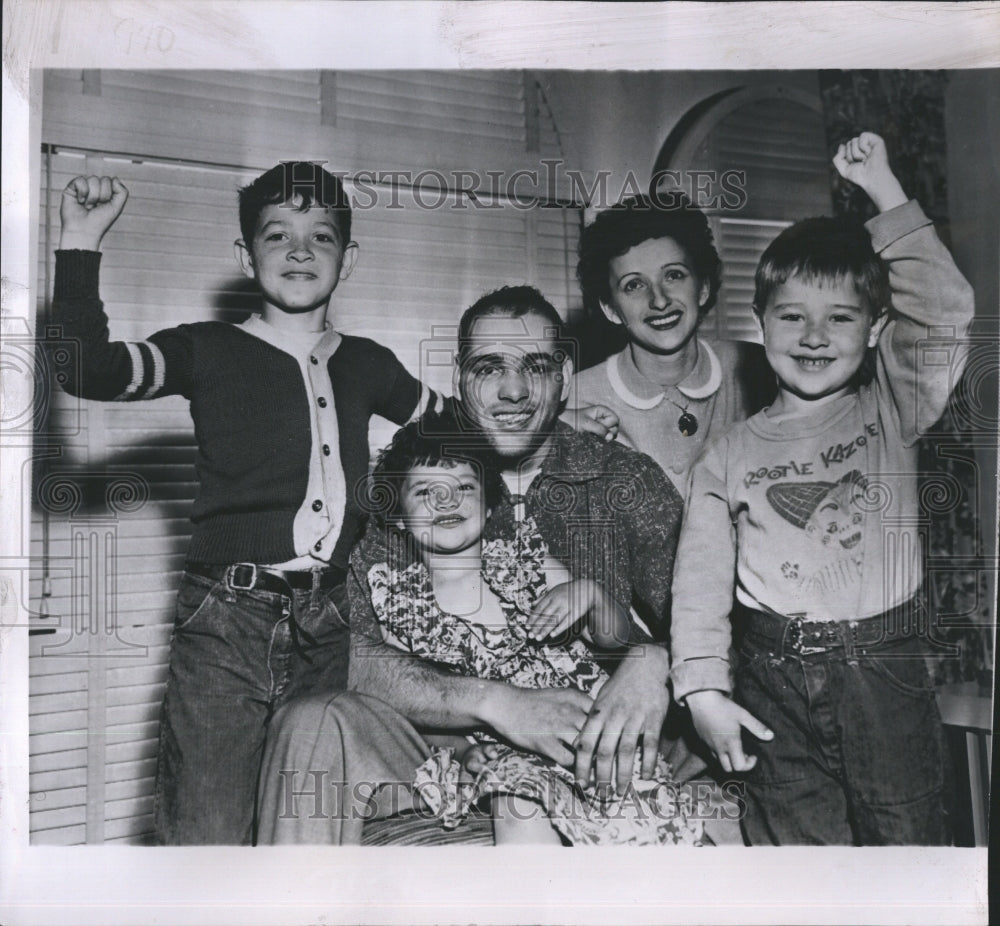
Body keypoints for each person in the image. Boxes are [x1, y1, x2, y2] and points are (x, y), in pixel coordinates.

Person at [50, 162, 447, 844]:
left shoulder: (369, 362)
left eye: (320, 237)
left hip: (331, 620)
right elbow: (87, 368)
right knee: (209, 831)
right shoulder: (207, 349)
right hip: (227, 623)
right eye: (277, 234)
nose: (299, 251)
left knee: (306, 826)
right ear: (244, 254)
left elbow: (453, 427)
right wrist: (80, 243)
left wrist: (568, 427)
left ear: (347, 260)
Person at [257, 285, 688, 844]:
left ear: (563, 375)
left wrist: (651, 659)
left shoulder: (624, 482)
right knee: (309, 721)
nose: (513, 391)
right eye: (490, 368)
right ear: (461, 379)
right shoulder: (407, 488)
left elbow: (717, 619)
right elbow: (350, 658)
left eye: (535, 366)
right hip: (444, 757)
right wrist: (494, 705)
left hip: (593, 742)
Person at [670, 133, 974, 845]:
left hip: (883, 674)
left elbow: (947, 308)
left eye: (840, 317)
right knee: (799, 869)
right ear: (760, 323)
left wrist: (886, 194)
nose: (813, 335)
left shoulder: (894, 405)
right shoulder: (726, 454)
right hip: (770, 679)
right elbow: (701, 585)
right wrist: (704, 689)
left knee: (907, 853)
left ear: (876, 330)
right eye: (791, 315)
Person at [360, 411, 703, 845]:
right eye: (426, 491)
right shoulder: (398, 601)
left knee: (654, 827)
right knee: (516, 802)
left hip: (588, 725)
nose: (447, 502)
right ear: (396, 516)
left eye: (464, 487)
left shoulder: (528, 560)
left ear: (488, 506)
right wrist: (464, 751)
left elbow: (613, 641)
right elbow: (423, 705)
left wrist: (593, 596)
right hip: (507, 748)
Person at [572, 194, 773, 498]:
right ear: (611, 308)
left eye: (674, 275)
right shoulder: (575, 398)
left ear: (703, 287)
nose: (660, 300)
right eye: (634, 285)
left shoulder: (759, 369)